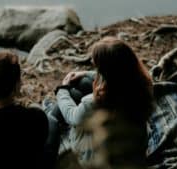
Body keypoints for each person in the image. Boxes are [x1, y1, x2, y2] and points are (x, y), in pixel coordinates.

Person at [53, 37, 154, 167]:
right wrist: (85, 73)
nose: (93, 64)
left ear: (106, 71)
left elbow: (72, 116)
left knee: (68, 100)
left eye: (98, 66)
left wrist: (62, 90)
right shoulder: (143, 85)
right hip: (135, 149)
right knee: (84, 82)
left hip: (100, 158)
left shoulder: (96, 101)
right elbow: (118, 75)